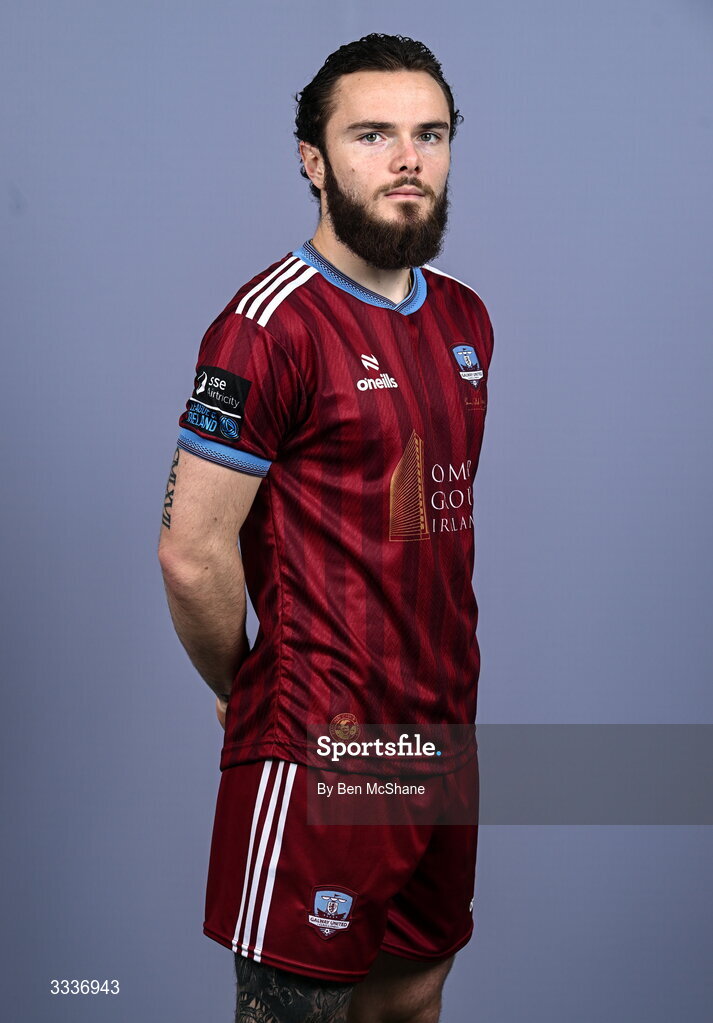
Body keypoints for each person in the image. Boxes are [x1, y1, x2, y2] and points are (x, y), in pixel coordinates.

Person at [158, 32, 494, 1023]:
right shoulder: (266, 328)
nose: (405, 158)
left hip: (440, 734)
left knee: (413, 993)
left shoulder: (466, 319)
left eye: (428, 134)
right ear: (313, 159)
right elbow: (190, 549)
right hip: (322, 742)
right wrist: (247, 689)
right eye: (371, 134)